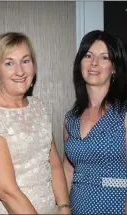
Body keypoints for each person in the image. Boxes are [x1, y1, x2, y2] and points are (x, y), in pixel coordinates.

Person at [0, 32, 70, 214]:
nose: (20, 71)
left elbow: (53, 164)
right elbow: (7, 192)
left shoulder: (38, 107)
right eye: (9, 63)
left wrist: (64, 207)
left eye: (25, 61)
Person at [63, 30, 127, 214]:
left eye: (104, 57)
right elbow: (67, 170)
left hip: (116, 207)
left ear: (114, 67)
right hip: (78, 207)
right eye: (88, 55)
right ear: (80, 63)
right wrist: (62, 208)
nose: (94, 63)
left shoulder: (124, 114)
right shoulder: (70, 119)